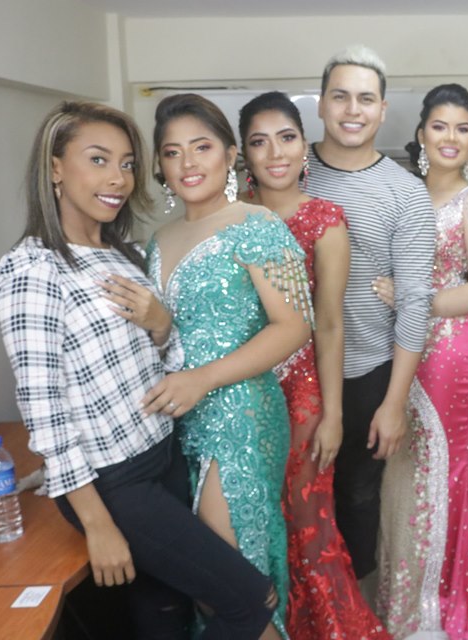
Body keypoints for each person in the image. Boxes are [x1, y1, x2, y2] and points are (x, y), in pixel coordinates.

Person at [0, 100, 278, 638]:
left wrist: (162, 325)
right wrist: (97, 522)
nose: (117, 179)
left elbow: (157, 364)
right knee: (250, 601)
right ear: (55, 168)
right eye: (98, 160)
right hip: (116, 484)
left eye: (126, 164)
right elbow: (44, 412)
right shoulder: (34, 269)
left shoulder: (126, 255)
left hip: (164, 454)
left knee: (167, 616)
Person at [147, 93, 313, 639]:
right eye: (172, 152)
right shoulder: (158, 239)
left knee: (235, 582)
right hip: (173, 423)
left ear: (230, 154)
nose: (188, 163)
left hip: (238, 416)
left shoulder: (257, 224)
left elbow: (295, 326)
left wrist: (204, 379)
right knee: (201, 585)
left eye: (202, 147)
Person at [369, 84, 468, 639]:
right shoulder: (406, 194)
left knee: (445, 470)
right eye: (441, 126)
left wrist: (414, 300)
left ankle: (441, 595)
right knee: (406, 470)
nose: (452, 138)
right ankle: (408, 593)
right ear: (421, 134)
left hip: (454, 350)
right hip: (406, 345)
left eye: (463, 128)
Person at [238, 91, 390, 640]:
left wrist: (333, 415)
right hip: (240, 391)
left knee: (307, 521)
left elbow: (329, 325)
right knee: (252, 520)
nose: (275, 152)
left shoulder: (325, 220)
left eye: (286, 137)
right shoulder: (232, 219)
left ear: (305, 146)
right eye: (259, 142)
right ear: (244, 155)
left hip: (303, 394)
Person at [303, 45, 437, 579]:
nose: (352, 110)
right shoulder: (286, 169)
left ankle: (353, 607)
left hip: (364, 372)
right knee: (293, 500)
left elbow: (415, 304)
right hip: (287, 370)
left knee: (356, 496)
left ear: (382, 110)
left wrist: (394, 403)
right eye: (340, 97)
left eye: (365, 99)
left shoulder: (406, 194)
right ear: (321, 104)